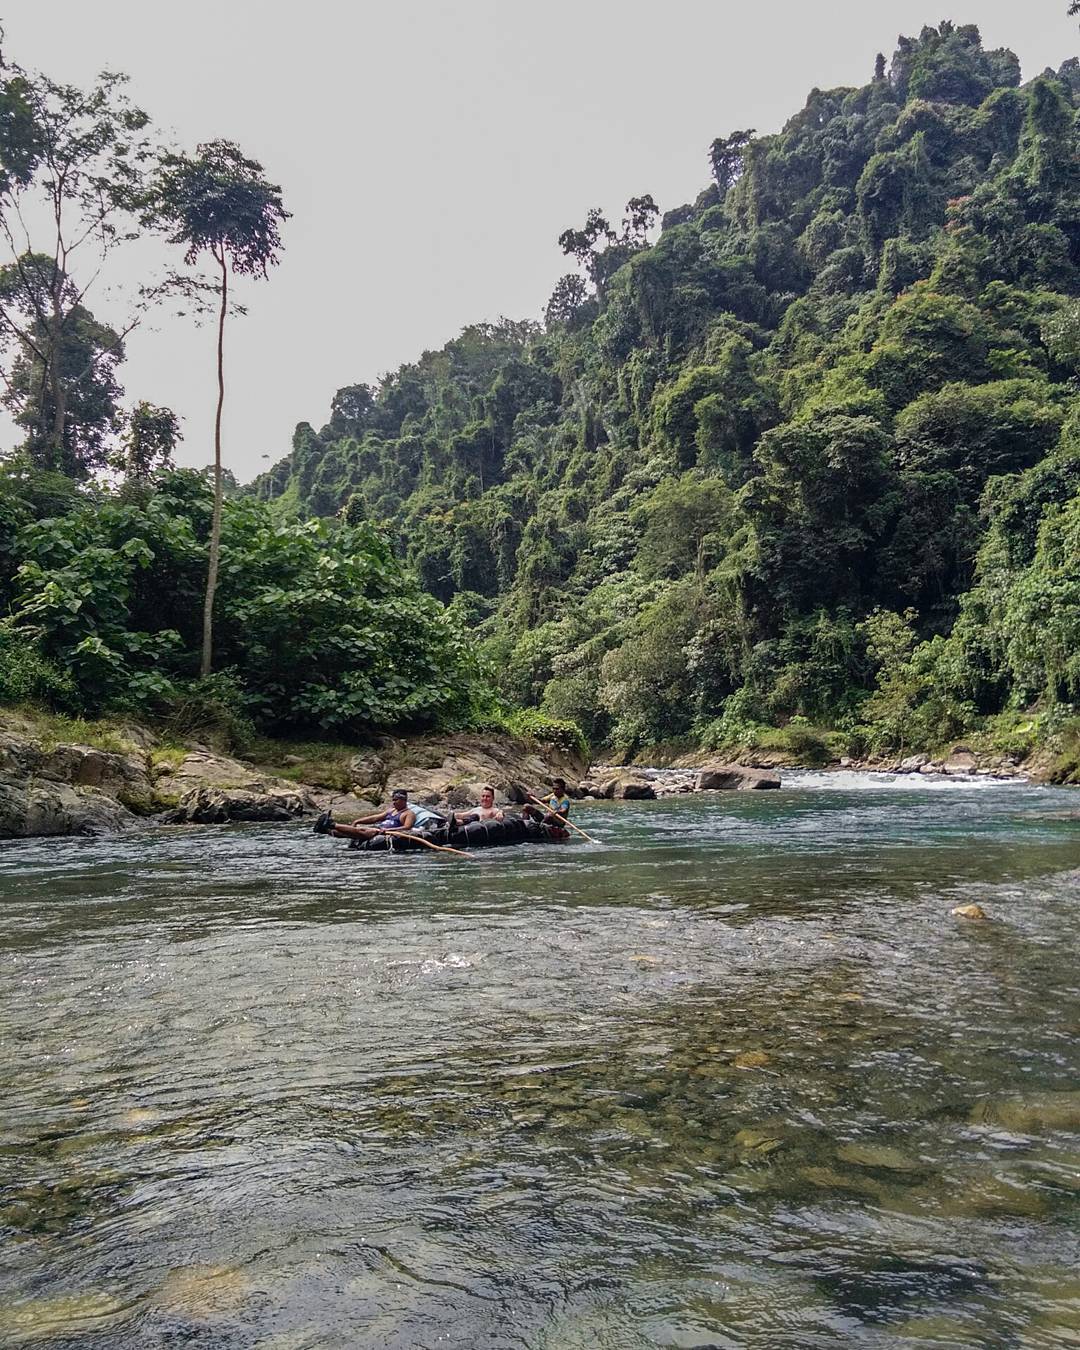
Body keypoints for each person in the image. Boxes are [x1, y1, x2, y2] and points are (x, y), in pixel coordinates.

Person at [323, 788, 445, 842]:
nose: (393, 802)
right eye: (393, 799)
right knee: (357, 830)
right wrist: (358, 820)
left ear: (403, 801)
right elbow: (376, 818)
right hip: (380, 829)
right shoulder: (391, 810)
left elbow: (407, 828)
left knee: (366, 831)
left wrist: (386, 831)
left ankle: (332, 824)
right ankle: (326, 829)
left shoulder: (409, 813)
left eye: (396, 800)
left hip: (386, 833)